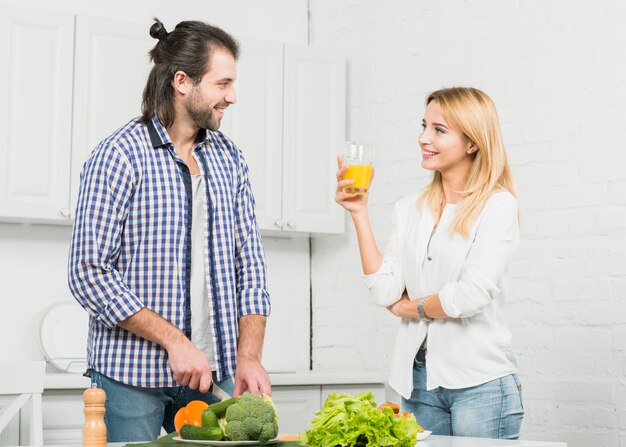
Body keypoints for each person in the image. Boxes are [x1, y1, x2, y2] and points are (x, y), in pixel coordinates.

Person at [68, 18, 271, 442]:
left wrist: (249, 356)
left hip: (210, 377)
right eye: (222, 84)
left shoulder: (230, 159)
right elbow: (89, 273)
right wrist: (175, 342)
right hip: (129, 377)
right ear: (182, 81)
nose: (232, 97)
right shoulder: (119, 155)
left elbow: (250, 266)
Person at [335, 87, 524, 438]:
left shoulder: (498, 206)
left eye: (439, 130)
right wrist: (359, 212)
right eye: (424, 126)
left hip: (480, 384)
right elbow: (385, 289)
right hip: (417, 380)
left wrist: (412, 308)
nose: (423, 138)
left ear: (472, 143)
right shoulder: (410, 207)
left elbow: (469, 296)